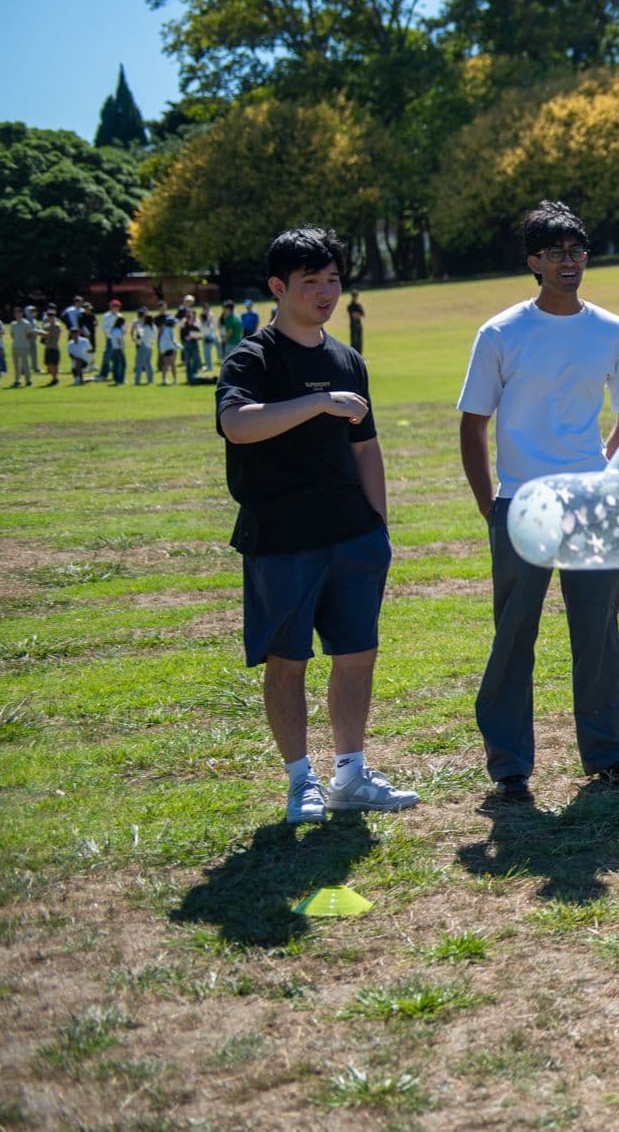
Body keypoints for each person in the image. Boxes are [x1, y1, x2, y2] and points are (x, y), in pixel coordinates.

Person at [217, 228, 418, 824]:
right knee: (289, 661)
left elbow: (367, 449)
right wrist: (316, 402)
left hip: (352, 534)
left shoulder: (347, 359)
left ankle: (351, 773)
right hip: (280, 537)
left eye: (333, 279)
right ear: (279, 288)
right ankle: (300, 782)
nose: (327, 292)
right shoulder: (252, 358)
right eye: (312, 282)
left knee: (357, 652)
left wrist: (379, 527)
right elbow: (237, 424)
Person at [459, 201, 619, 804]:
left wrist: (604, 464)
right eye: (557, 253)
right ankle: (510, 765)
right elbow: (473, 424)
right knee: (515, 635)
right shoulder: (501, 332)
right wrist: (488, 502)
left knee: (597, 635)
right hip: (521, 504)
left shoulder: (614, 332)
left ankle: (610, 757)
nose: (570, 263)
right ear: (534, 262)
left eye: (578, 251)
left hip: (592, 503)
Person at [100, 299, 127, 385]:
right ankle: (104, 374)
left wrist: (121, 332)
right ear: (111, 307)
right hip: (110, 339)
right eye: (114, 306)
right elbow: (105, 328)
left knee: (118, 360)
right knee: (107, 357)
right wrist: (113, 332)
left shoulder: (120, 316)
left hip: (118, 339)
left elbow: (124, 328)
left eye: (117, 306)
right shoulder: (106, 316)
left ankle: (118, 377)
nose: (116, 308)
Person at [9, 306, 37, 388]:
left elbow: (30, 334)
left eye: (19, 313)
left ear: (22, 314)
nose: (17, 315)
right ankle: (17, 380)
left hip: (24, 346)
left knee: (25, 364)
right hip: (15, 346)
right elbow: (12, 335)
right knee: (16, 364)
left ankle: (28, 380)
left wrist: (24, 341)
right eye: (16, 313)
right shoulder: (13, 324)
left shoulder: (26, 323)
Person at [39, 309, 63, 386]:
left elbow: (54, 336)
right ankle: (53, 378)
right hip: (47, 347)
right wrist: (44, 334)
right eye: (49, 317)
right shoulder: (46, 326)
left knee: (55, 364)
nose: (51, 318)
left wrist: (44, 334)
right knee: (49, 364)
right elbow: (43, 336)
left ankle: (55, 379)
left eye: (52, 317)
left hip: (54, 347)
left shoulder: (57, 326)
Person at [131, 309, 155, 385]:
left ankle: (137, 381)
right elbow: (153, 337)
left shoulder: (145, 328)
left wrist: (135, 340)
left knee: (139, 364)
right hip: (150, 346)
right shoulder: (153, 327)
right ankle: (150, 380)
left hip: (143, 346)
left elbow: (141, 339)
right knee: (148, 364)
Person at [157, 313, 179, 385]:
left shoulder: (165, 329)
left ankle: (164, 380)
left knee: (165, 365)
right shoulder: (170, 330)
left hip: (166, 349)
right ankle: (175, 380)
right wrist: (179, 346)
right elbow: (173, 340)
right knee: (172, 365)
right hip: (171, 349)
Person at [347, 291, 365, 355]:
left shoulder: (358, 305)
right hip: (353, 326)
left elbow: (362, 314)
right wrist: (358, 314)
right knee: (354, 342)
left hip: (359, 325)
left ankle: (360, 356)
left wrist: (357, 314)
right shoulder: (350, 306)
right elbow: (354, 315)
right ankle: (354, 355)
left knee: (360, 342)